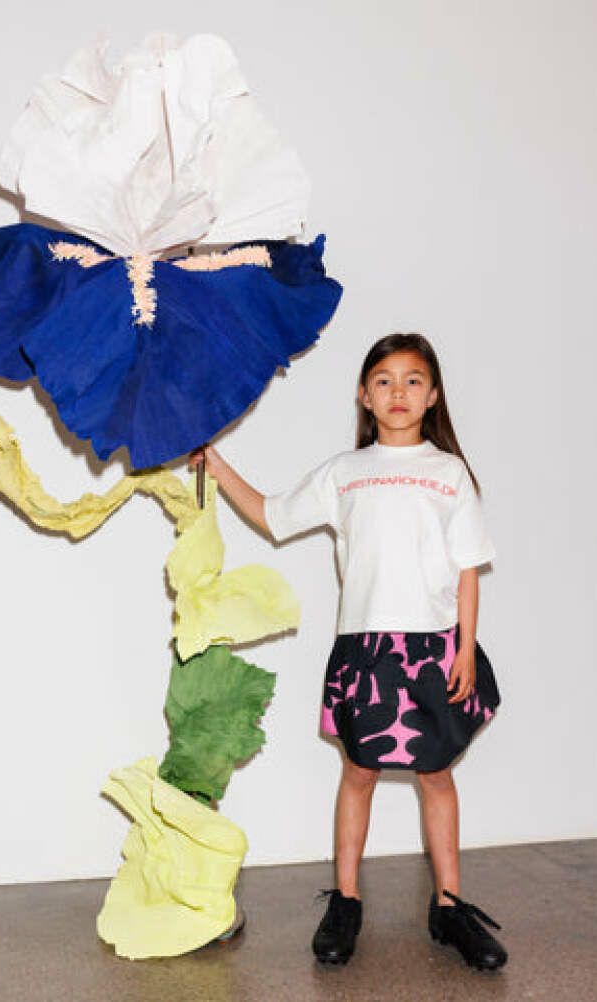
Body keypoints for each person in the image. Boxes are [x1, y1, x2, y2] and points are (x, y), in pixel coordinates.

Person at [189, 332, 507, 971]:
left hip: (434, 649)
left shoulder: (449, 475)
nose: (398, 392)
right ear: (364, 395)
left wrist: (465, 650)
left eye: (413, 380)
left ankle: (449, 907)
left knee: (436, 775)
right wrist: (216, 467)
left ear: (433, 395)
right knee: (359, 773)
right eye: (383, 381)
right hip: (366, 650)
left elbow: (468, 568)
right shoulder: (345, 473)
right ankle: (347, 901)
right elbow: (273, 514)